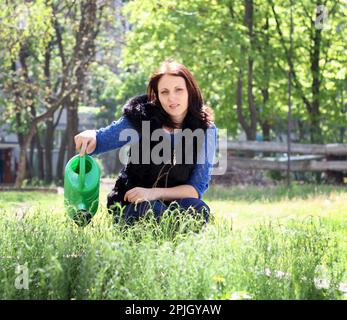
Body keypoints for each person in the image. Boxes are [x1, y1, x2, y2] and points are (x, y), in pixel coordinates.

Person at [74, 59, 217, 224]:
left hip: (174, 203)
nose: (172, 98)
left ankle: (170, 235)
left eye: (178, 90)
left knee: (198, 209)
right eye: (164, 92)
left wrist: (152, 193)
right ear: (156, 95)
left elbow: (194, 190)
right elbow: (101, 140)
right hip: (134, 202)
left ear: (190, 91)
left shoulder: (206, 130)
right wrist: (91, 135)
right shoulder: (141, 118)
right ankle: (167, 231)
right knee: (150, 209)